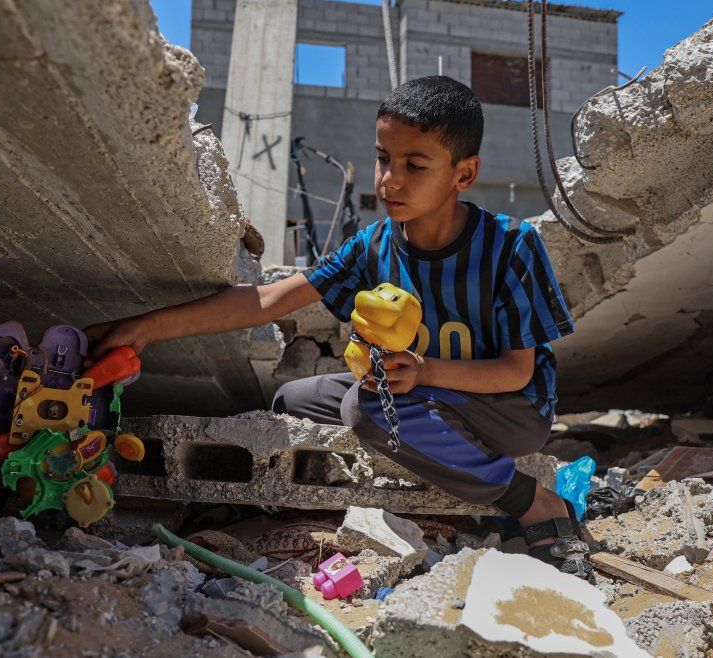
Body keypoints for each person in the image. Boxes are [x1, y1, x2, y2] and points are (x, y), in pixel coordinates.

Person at [85, 76, 589, 575]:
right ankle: (346, 485)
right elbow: (268, 300)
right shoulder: (373, 245)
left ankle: (532, 501)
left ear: (464, 174)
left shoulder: (510, 246)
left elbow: (516, 372)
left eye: (415, 165)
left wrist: (425, 371)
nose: (390, 180)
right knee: (292, 400)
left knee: (365, 409)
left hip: (511, 411)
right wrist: (142, 329)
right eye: (383, 158)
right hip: (419, 392)